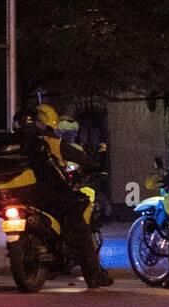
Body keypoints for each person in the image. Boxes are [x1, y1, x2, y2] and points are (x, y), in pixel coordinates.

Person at [16, 103, 112, 288]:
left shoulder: (20, 144)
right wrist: (96, 162)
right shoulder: (53, 143)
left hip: (28, 197)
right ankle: (93, 276)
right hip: (54, 197)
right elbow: (85, 160)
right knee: (81, 227)